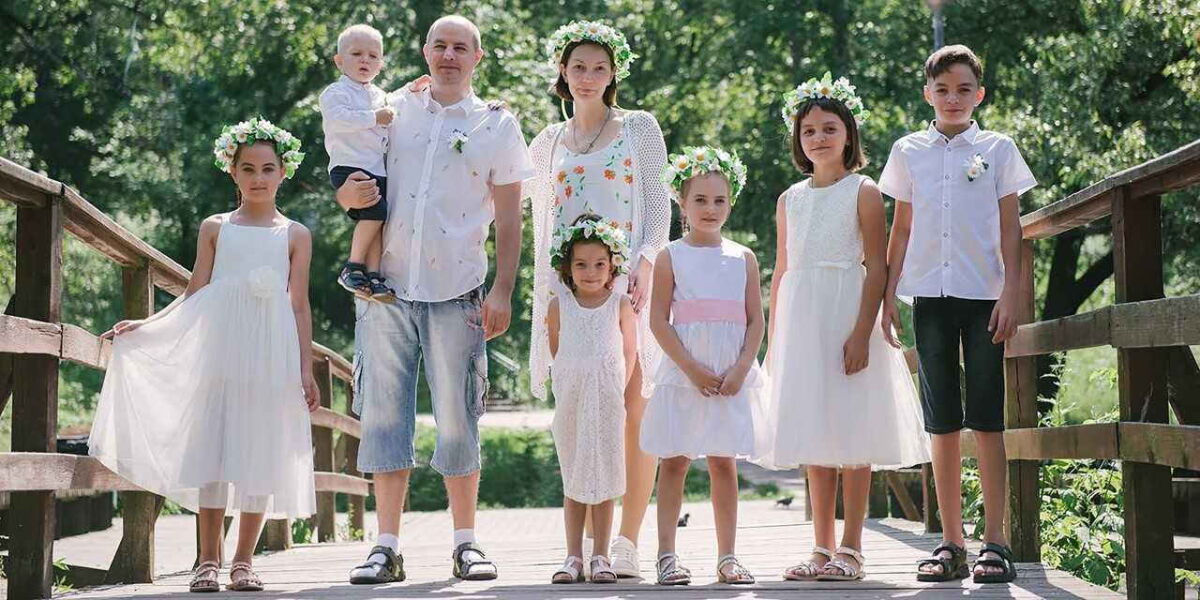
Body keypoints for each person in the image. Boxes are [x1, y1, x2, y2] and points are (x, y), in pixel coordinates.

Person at [337, 14, 535, 584]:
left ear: (478, 57)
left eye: (460, 47)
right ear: (425, 52)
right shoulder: (393, 107)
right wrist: (346, 193)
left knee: (457, 416)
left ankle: (466, 543)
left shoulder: (497, 123)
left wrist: (503, 289)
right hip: (385, 287)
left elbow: (509, 218)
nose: (449, 55)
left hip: (458, 289)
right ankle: (385, 547)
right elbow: (354, 172)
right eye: (440, 45)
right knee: (383, 415)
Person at [90, 117, 319, 593]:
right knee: (213, 452)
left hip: (270, 354)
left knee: (259, 452)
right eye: (248, 168)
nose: (258, 178)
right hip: (221, 351)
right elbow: (196, 290)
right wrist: (146, 325)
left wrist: (304, 369)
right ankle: (207, 560)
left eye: (268, 169)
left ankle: (244, 562)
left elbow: (299, 303)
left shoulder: (295, 234)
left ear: (284, 172)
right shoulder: (216, 227)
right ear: (232, 171)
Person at [759, 73, 930, 582]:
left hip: (847, 314)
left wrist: (862, 332)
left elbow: (877, 266)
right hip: (802, 320)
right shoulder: (789, 198)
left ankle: (851, 548)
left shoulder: (864, 190)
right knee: (813, 429)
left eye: (829, 128)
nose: (819, 138)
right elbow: (782, 268)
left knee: (854, 428)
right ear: (798, 139)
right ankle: (820, 547)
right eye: (809, 130)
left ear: (848, 134)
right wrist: (775, 338)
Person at [878, 45, 1037, 584]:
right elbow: (900, 228)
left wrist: (1012, 294)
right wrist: (887, 295)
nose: (953, 98)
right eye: (943, 89)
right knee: (941, 422)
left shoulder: (998, 149)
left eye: (963, 89)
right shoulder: (908, 151)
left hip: (985, 298)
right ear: (928, 94)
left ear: (979, 94)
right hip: (929, 297)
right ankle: (951, 542)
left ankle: (996, 541)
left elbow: (1012, 227)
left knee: (987, 419)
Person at [525, 20, 671, 576]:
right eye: (578, 66)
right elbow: (528, 210)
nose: (588, 76)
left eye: (599, 68)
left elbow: (658, 206)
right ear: (563, 71)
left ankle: (626, 541)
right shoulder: (547, 142)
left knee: (633, 408)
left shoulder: (639, 128)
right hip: (571, 292)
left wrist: (644, 266)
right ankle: (584, 545)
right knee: (582, 413)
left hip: (628, 287)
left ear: (614, 74)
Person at [641, 146, 767, 585]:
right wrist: (691, 369)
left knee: (723, 461)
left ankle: (727, 556)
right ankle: (667, 555)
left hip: (729, 375)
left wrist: (741, 369)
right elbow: (659, 320)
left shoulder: (743, 257)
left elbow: (755, 320)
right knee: (674, 460)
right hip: (686, 373)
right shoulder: (670, 256)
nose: (710, 209)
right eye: (700, 200)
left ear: (731, 202)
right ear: (682, 202)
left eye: (719, 200)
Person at [545, 214, 638, 584]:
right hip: (572, 402)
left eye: (599, 264)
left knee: (605, 479)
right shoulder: (559, 306)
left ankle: (601, 555)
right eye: (581, 264)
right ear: (567, 267)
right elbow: (558, 351)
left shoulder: (620, 305)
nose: (590, 272)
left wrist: (614, 388)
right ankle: (573, 555)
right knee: (574, 478)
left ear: (612, 264)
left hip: (607, 402)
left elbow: (629, 353)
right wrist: (575, 382)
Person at [320, 23, 397, 302]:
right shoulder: (335, 93)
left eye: (373, 56)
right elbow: (339, 119)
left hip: (377, 167)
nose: (365, 60)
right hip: (350, 166)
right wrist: (375, 118)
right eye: (356, 54)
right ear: (339, 61)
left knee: (378, 219)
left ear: (381, 64)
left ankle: (373, 276)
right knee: (375, 213)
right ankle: (352, 267)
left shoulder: (381, 96)